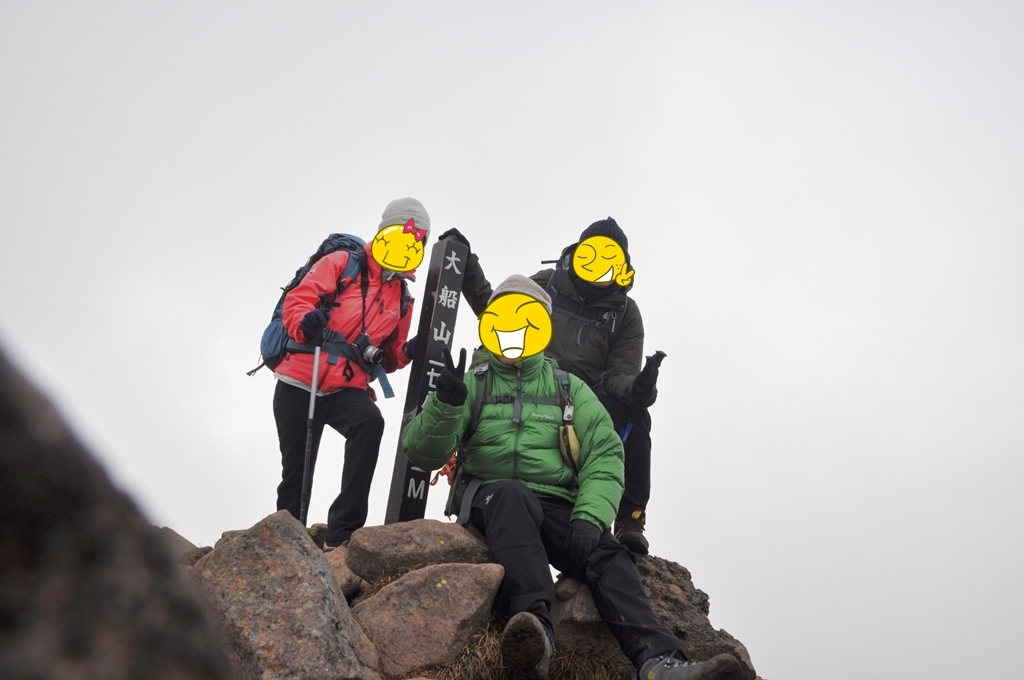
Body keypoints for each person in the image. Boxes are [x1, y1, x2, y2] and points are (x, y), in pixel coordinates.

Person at [401, 275, 742, 680]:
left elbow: (605, 451)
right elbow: (422, 453)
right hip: (491, 499)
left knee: (607, 552)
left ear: (544, 327)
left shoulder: (569, 387)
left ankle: (661, 663)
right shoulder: (470, 381)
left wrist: (590, 515)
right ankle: (535, 633)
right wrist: (446, 404)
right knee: (512, 496)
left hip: (555, 503)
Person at [438, 218, 664, 554]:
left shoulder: (625, 314)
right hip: (528, 381)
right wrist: (466, 265)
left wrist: (640, 390)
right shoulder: (547, 285)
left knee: (638, 415)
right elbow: (499, 313)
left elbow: (618, 379)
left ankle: (630, 518)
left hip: (581, 401)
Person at [273, 197, 428, 548]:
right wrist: (304, 322)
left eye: (417, 241)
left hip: (346, 386)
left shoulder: (402, 298)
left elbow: (388, 358)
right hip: (299, 378)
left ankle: (342, 535)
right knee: (297, 471)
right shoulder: (342, 263)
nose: (409, 244)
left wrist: (407, 351)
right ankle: (288, 544)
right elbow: (298, 301)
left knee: (369, 424)